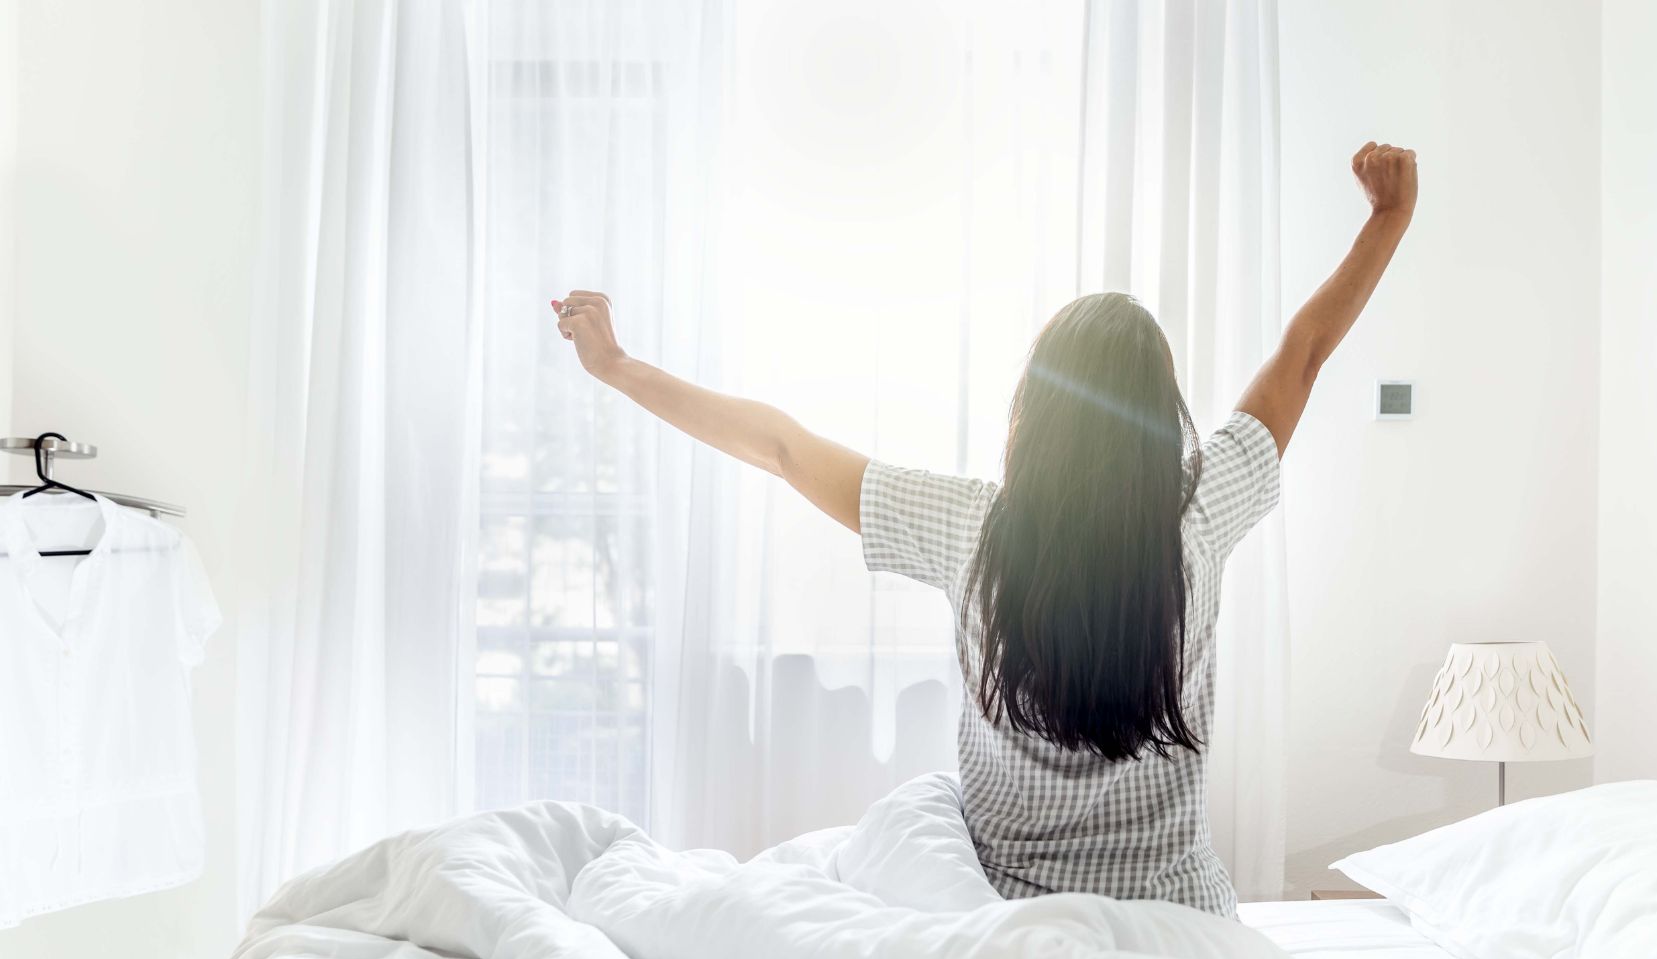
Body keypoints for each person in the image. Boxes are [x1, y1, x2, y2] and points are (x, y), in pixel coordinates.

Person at [553, 141, 1417, 918]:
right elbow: (1304, 351)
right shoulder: (1203, 511)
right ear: (1163, 419)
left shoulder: (969, 528)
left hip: (1000, 920)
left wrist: (619, 367)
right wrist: (1388, 219)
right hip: (1177, 915)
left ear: (1033, 414)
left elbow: (781, 446)